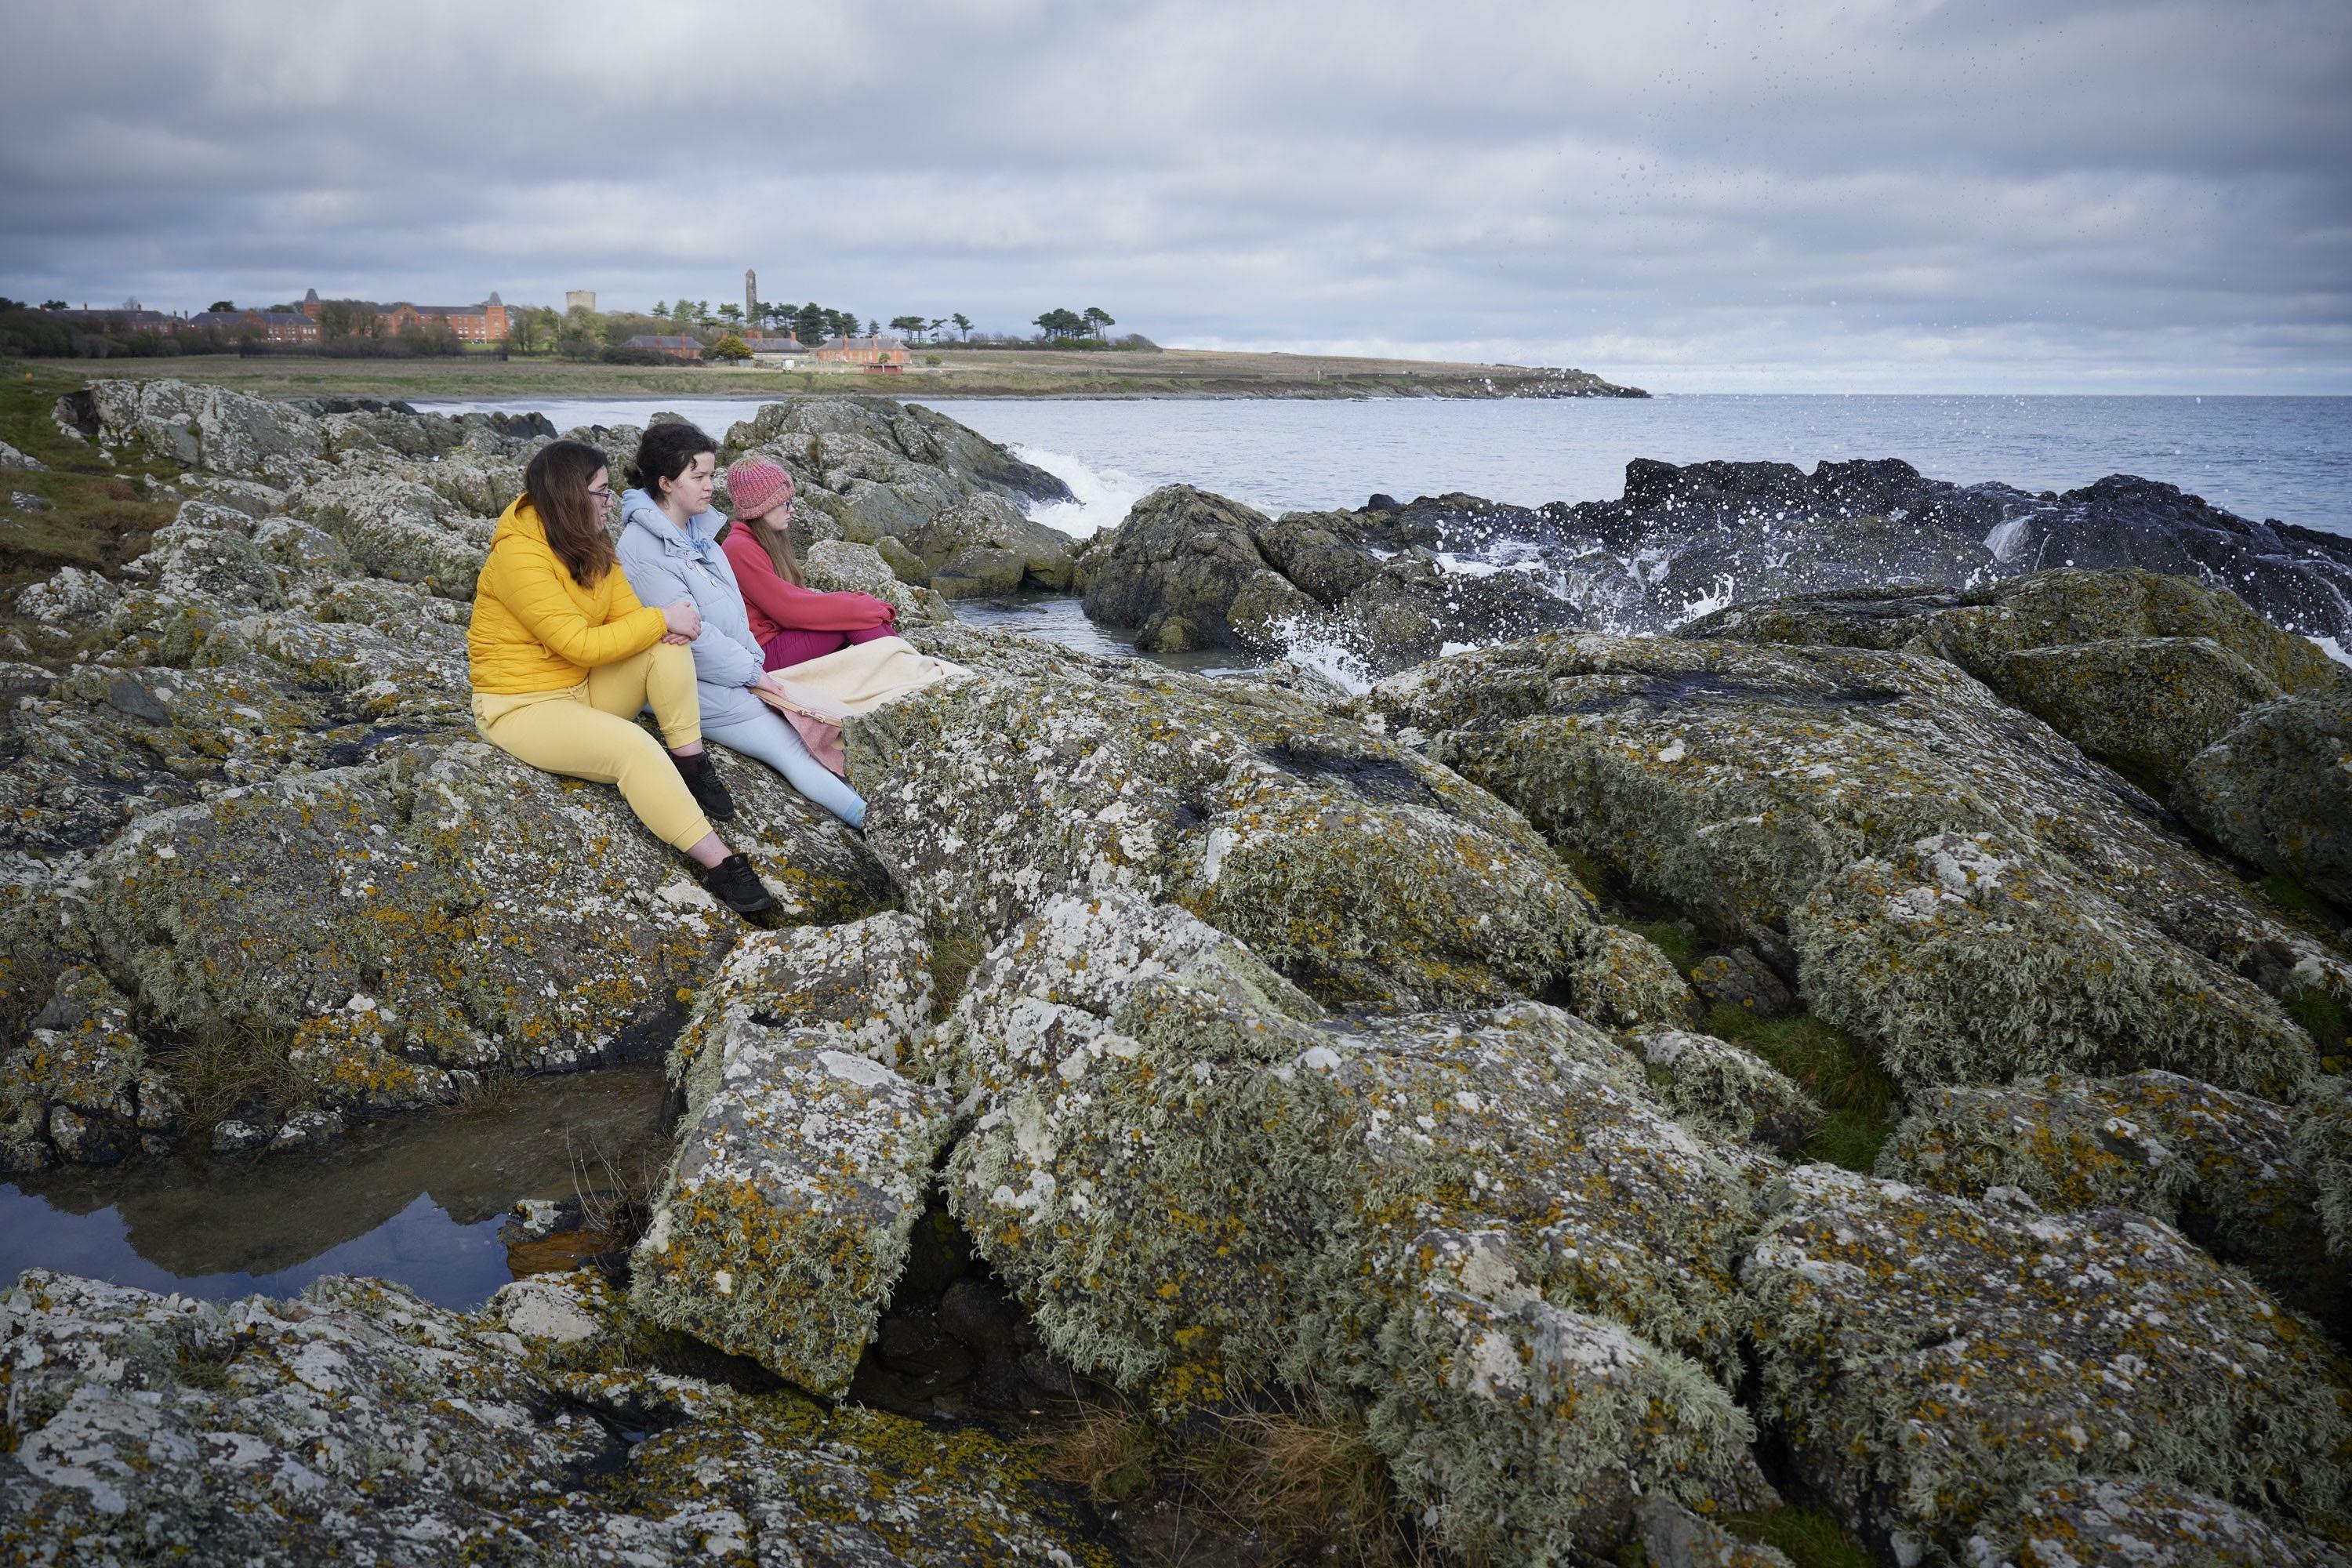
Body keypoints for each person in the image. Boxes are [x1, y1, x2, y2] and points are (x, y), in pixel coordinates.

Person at [466, 438, 778, 915]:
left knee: (664, 645)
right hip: (522, 706)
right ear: (571, 496)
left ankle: (691, 764)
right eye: (602, 492)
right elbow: (578, 643)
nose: (611, 502)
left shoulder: (589, 544)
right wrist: (662, 618)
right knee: (636, 747)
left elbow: (629, 619)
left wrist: (661, 624)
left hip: (584, 687)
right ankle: (722, 864)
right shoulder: (518, 557)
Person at [616, 424, 870, 828]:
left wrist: (756, 668)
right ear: (665, 483)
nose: (710, 486)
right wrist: (755, 674)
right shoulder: (642, 548)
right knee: (793, 748)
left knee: (829, 722)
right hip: (695, 685)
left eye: (712, 475)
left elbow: (733, 618)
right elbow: (692, 641)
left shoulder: (702, 537)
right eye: (697, 477)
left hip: (738, 671)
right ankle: (874, 825)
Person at [718, 456, 899, 670]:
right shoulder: (738, 548)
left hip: (782, 638)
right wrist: (859, 606)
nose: (792, 509)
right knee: (854, 619)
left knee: (858, 616)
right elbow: (788, 609)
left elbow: (799, 598)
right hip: (763, 652)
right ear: (761, 508)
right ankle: (909, 676)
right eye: (785, 503)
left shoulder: (764, 541)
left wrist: (858, 602)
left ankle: (910, 670)